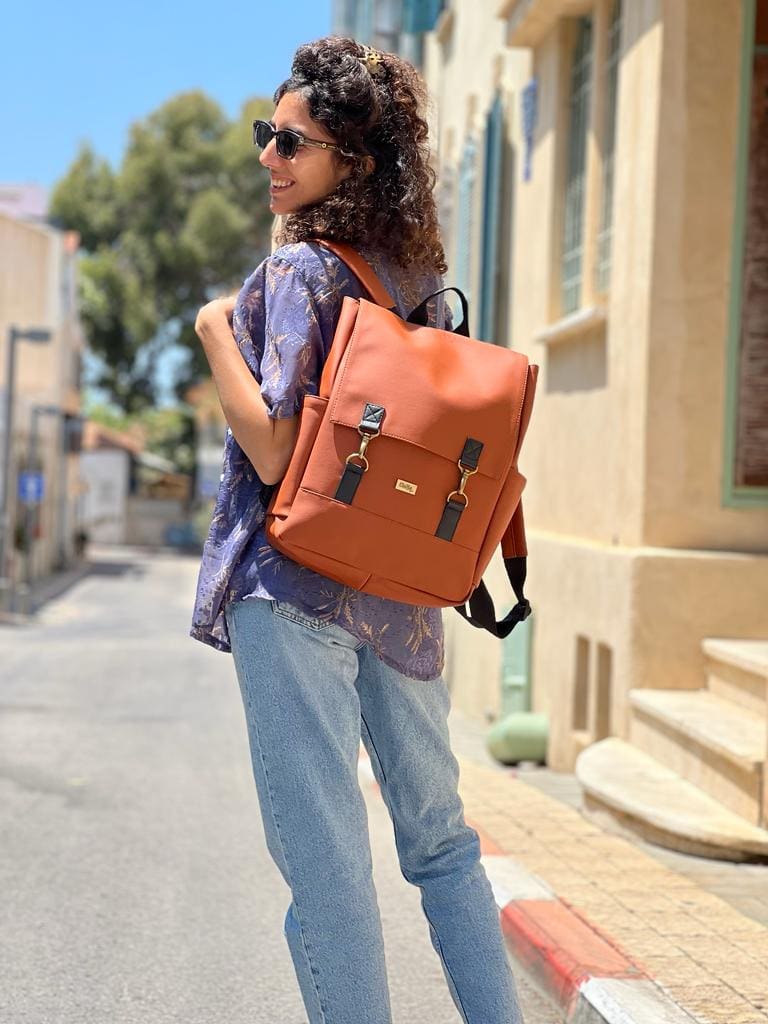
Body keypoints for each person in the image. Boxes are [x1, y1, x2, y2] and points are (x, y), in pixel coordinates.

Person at [190, 36, 525, 1024]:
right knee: (443, 844)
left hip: (295, 588)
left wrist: (212, 328)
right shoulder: (415, 280)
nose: (268, 155)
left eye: (292, 141)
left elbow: (272, 450)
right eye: (268, 134)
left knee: (327, 865)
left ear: (353, 162)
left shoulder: (298, 273)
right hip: (400, 593)